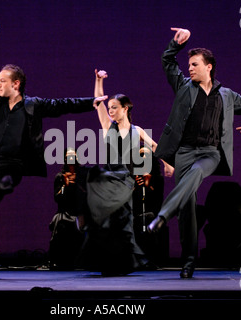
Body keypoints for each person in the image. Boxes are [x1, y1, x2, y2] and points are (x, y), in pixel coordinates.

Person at [0, 23, 107, 279]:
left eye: (3, 81)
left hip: (15, 164)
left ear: (17, 84)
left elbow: (62, 105)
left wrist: (89, 103)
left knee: (1, 187)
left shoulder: (33, 105)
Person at [148, 27, 241, 278]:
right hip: (185, 152)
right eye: (188, 64)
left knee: (197, 173)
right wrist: (175, 44)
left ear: (209, 67)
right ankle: (188, 262)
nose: (189, 68)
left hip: (210, 153)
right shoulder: (183, 86)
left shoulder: (227, 95)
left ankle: (163, 216)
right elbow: (167, 61)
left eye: (194, 64)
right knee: (187, 207)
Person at [76, 70, 174, 276]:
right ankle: (106, 262)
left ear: (125, 108)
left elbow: (155, 146)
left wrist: (167, 164)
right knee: (106, 222)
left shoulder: (137, 131)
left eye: (114, 108)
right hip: (109, 180)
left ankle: (126, 262)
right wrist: (98, 81)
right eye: (110, 108)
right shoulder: (106, 126)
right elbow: (99, 102)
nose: (110, 111)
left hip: (127, 182)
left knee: (123, 223)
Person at [48, 147, 87, 270]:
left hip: (80, 212)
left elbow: (87, 195)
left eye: (73, 156)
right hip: (64, 211)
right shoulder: (60, 177)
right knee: (59, 220)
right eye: (68, 156)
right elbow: (57, 198)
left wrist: (77, 185)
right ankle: (55, 260)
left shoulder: (83, 175)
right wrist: (65, 186)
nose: (71, 159)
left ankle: (82, 260)